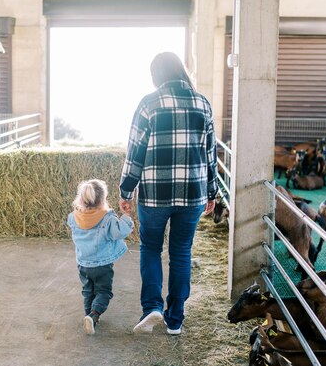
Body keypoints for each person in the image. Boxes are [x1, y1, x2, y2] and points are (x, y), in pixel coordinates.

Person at [119, 51, 218, 335]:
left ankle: (152, 307)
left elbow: (134, 151)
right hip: (193, 194)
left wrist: (126, 190)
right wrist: (211, 192)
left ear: (156, 76)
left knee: (151, 248)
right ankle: (175, 319)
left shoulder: (149, 104)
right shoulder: (203, 104)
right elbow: (210, 154)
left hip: (154, 196)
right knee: (181, 252)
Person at [67, 179, 134, 335]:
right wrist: (126, 216)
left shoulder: (73, 217)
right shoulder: (107, 219)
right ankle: (94, 314)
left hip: (83, 264)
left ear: (81, 199)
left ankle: (88, 317)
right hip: (102, 265)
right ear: (103, 200)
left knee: (88, 291)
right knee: (104, 292)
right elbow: (120, 231)